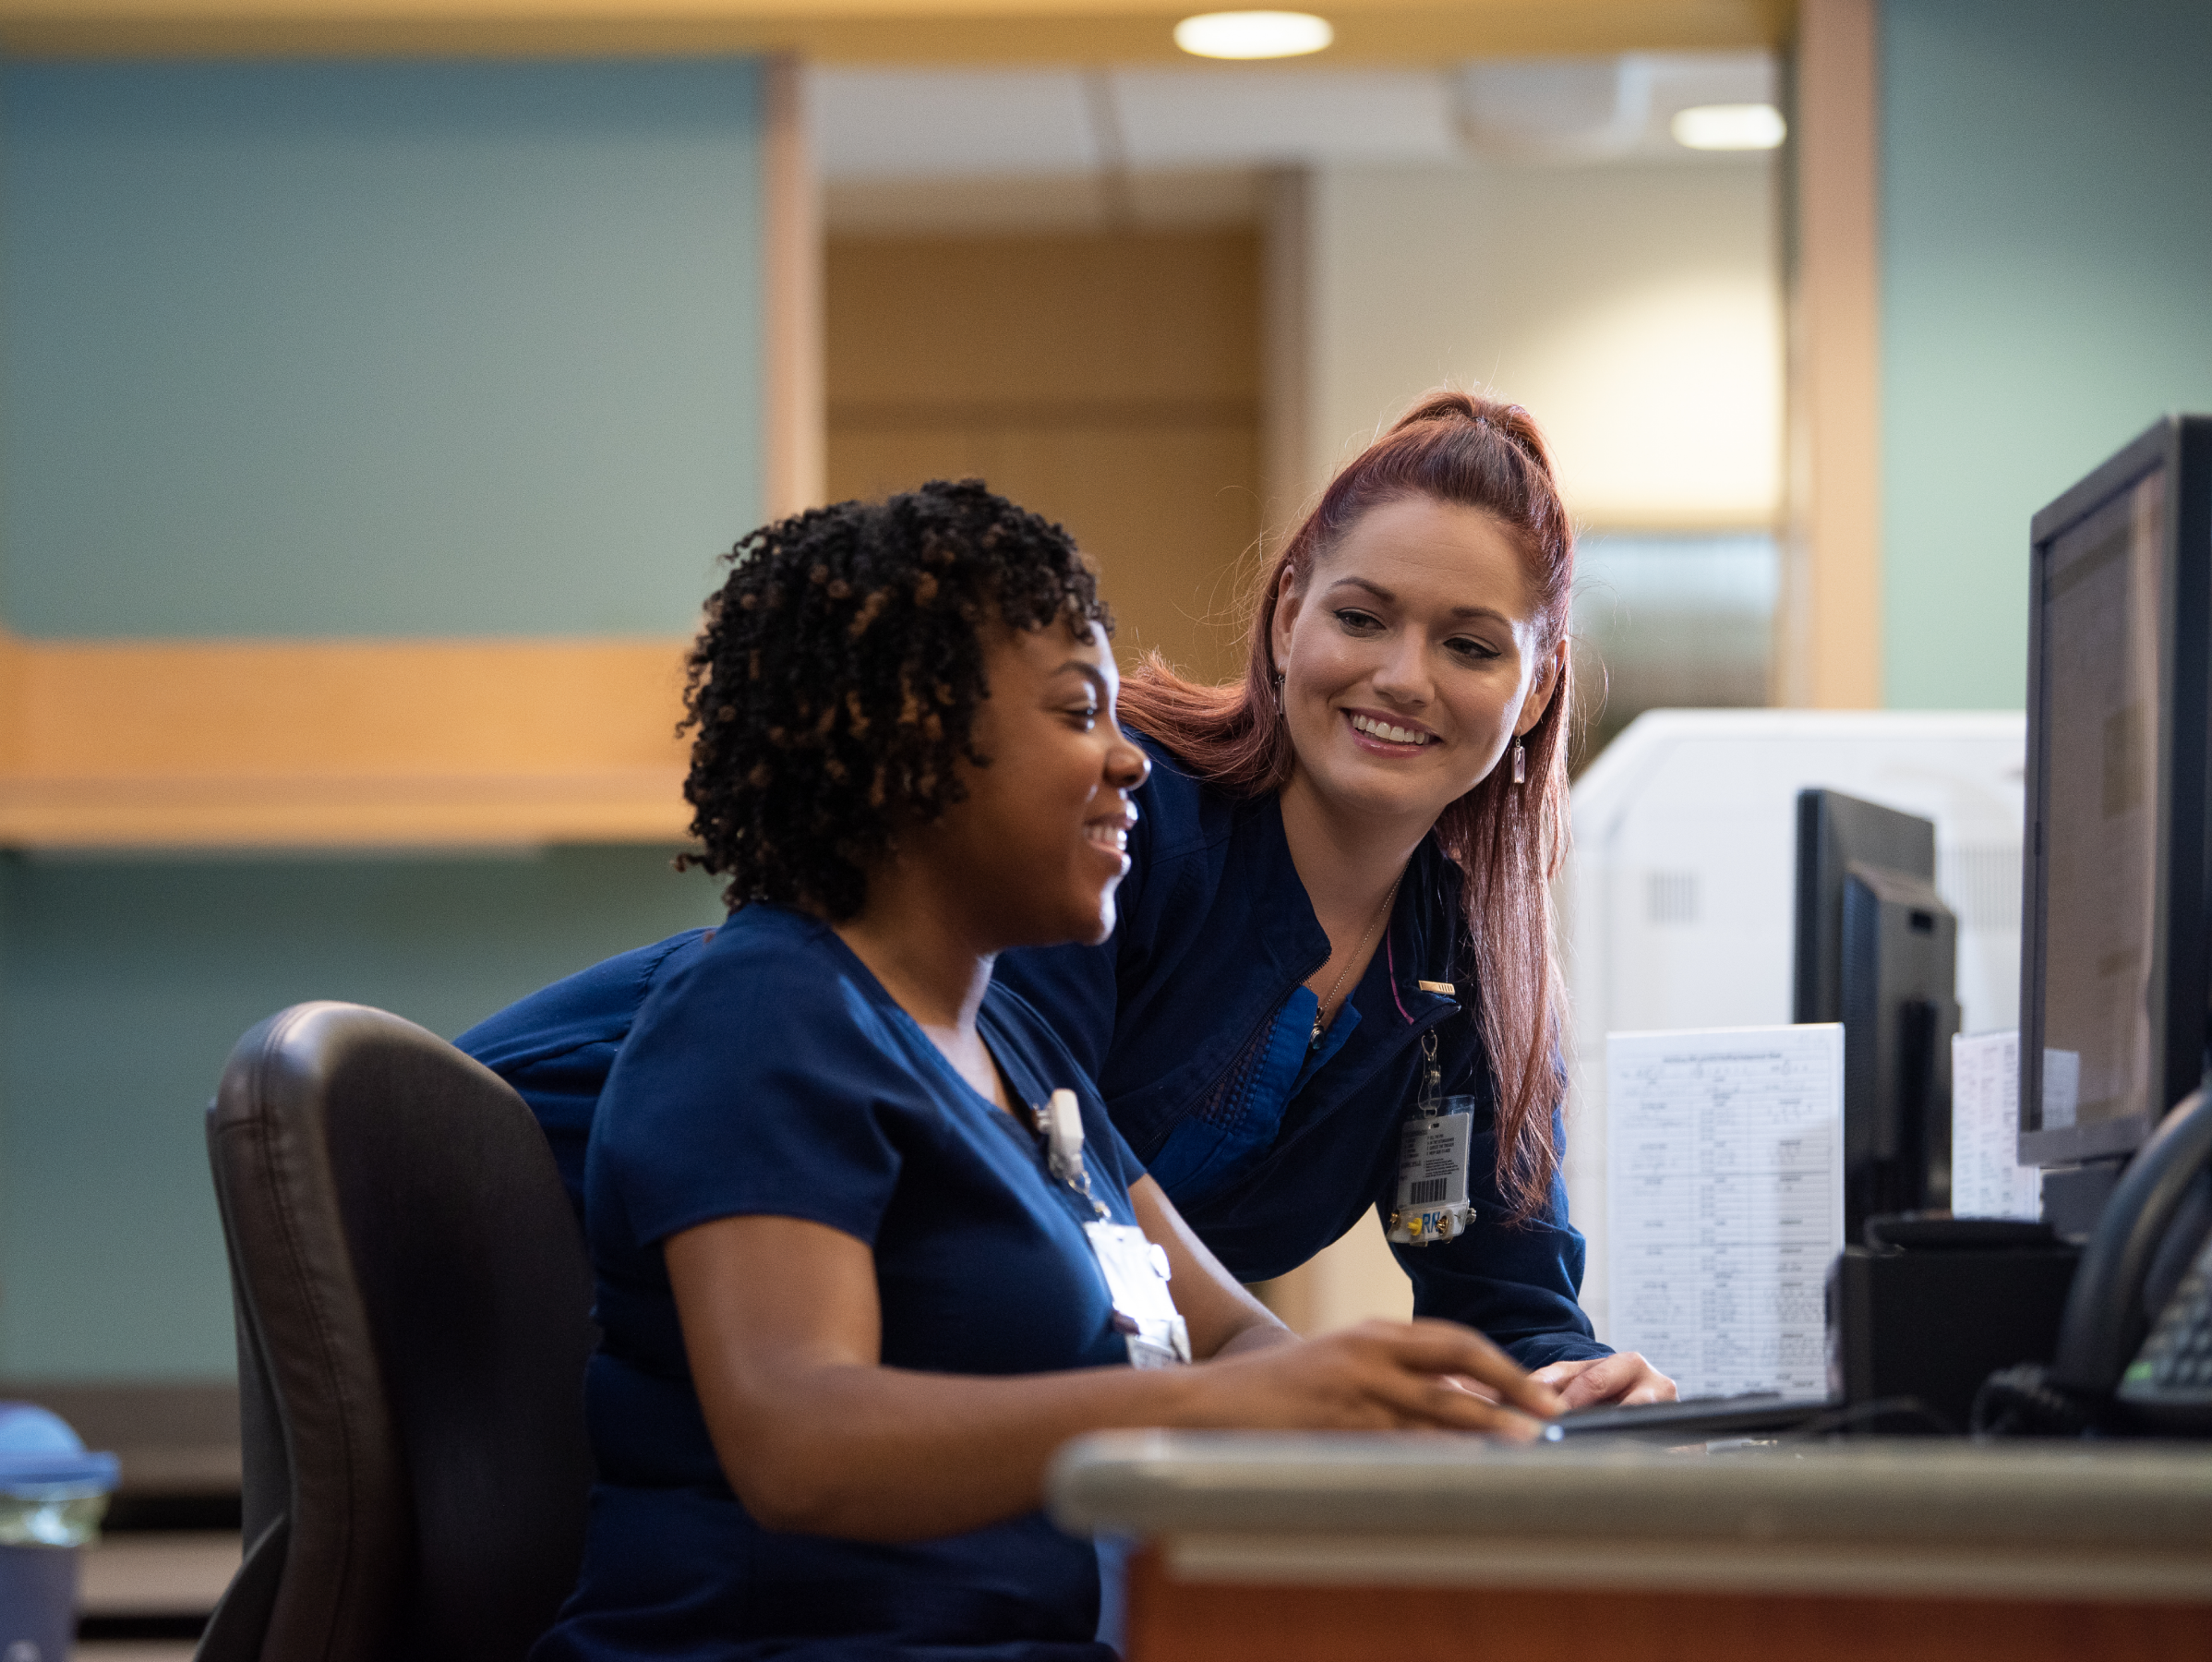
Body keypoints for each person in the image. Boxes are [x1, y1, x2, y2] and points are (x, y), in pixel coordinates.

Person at [463, 392, 1674, 1406]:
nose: (1402, 676)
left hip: (961, 1386)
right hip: (545, 1236)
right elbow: (1010, 1234)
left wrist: (1562, 1388)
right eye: (1362, 618)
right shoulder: (1095, 842)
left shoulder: (1455, 966)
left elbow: (1484, 1303)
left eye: (1469, 646)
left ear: (1537, 687)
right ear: (1290, 611)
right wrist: (1251, 1399)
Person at [535, 481, 1560, 1662]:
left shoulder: (1023, 1060)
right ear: (913, 740)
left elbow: (1225, 1342)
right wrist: (1204, 1409)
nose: (1132, 761)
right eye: (1080, 715)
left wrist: (1383, 1410)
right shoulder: (762, 1011)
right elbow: (800, 1445)